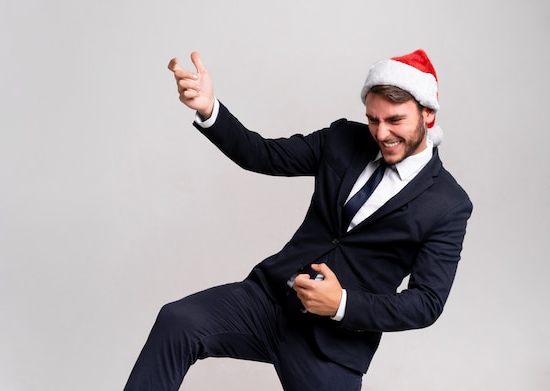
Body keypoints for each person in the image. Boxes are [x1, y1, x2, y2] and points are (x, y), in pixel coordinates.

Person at [124, 49, 472, 391]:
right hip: (269, 301)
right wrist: (209, 109)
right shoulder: (342, 139)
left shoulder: (448, 204)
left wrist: (341, 304)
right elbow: (262, 154)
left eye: (395, 120)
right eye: (373, 119)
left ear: (428, 115)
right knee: (177, 321)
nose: (381, 133)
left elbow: (426, 303)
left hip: (333, 346)